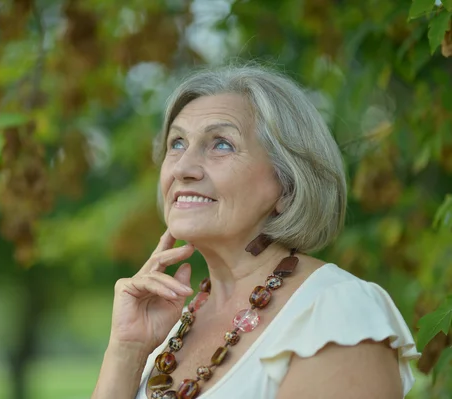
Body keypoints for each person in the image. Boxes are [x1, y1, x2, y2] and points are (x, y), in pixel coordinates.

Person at [92, 64, 420, 399]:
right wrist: (127, 350)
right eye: (177, 143)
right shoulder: (169, 326)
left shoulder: (336, 314)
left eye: (221, 144)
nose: (182, 168)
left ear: (287, 184)